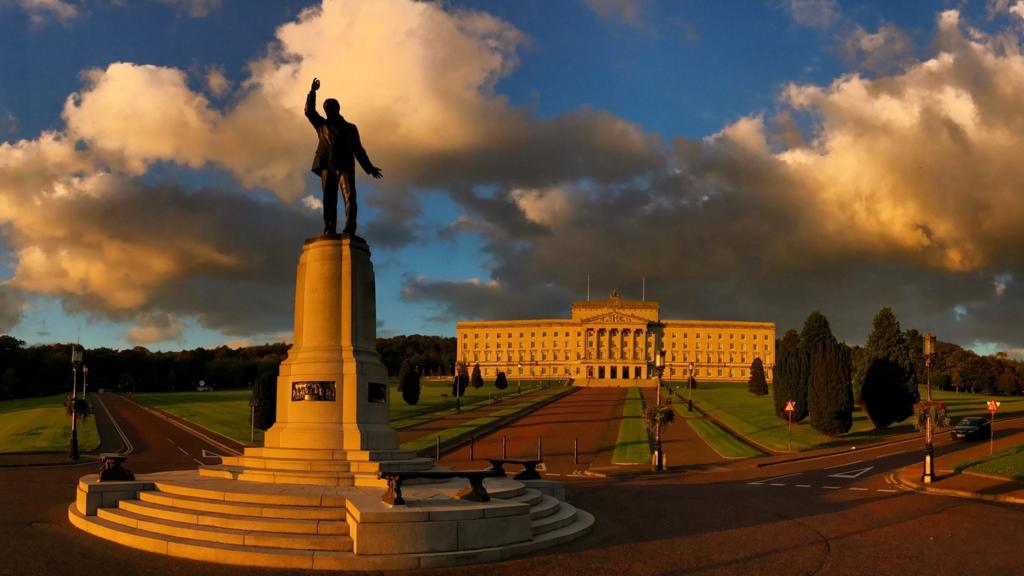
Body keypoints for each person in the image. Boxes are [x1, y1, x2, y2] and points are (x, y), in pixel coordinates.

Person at [305, 78, 383, 235]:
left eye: (330, 107)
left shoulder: (350, 128)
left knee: (349, 196)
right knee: (329, 200)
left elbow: (359, 150)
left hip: (345, 165)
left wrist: (369, 167)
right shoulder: (322, 125)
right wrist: (312, 92)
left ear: (337, 108)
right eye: (325, 107)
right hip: (327, 166)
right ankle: (329, 229)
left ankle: (349, 229)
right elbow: (309, 112)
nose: (327, 110)